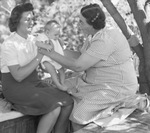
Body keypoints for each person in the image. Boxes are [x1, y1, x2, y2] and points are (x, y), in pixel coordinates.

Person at [40, 3, 150, 132]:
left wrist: (50, 53)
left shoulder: (106, 38)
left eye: (81, 22)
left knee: (79, 113)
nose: (79, 25)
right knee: (53, 86)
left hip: (116, 87)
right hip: (93, 82)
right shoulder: (93, 35)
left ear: (92, 24)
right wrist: (56, 49)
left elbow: (78, 66)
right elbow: (82, 56)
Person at [1, 3, 73, 133]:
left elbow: (46, 63)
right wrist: (40, 55)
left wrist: (56, 50)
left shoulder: (34, 40)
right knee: (54, 106)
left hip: (34, 83)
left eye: (32, 19)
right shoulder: (9, 44)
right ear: (17, 21)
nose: (31, 22)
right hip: (15, 87)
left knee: (67, 101)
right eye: (27, 19)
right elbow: (18, 76)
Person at [36, 20, 67, 91]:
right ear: (47, 32)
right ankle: (58, 84)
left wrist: (61, 43)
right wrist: (45, 46)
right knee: (52, 71)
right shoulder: (43, 37)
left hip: (56, 58)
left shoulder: (56, 39)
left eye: (58, 34)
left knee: (62, 70)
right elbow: (37, 43)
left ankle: (62, 82)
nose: (57, 36)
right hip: (47, 60)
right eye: (55, 35)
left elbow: (60, 46)